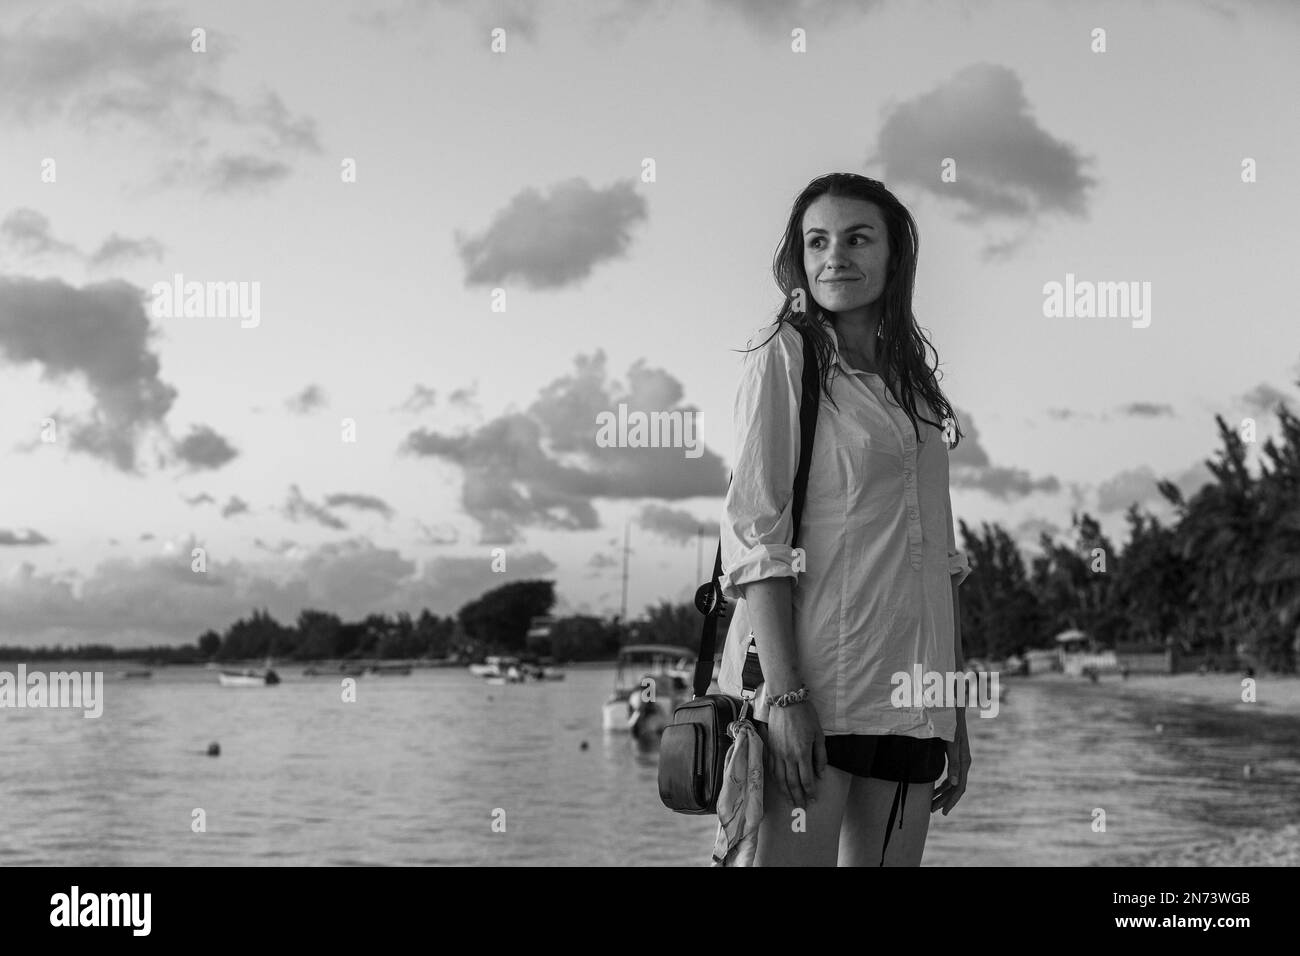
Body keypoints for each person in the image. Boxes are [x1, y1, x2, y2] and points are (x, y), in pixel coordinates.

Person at [717, 173, 972, 866]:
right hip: (815, 699)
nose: (836, 256)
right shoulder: (787, 361)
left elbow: (942, 564)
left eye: (858, 238)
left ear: (895, 257)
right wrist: (787, 699)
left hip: (913, 706)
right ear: (799, 260)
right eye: (817, 241)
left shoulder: (916, 393)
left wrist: (956, 717)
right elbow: (755, 540)